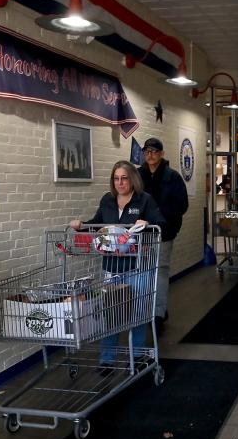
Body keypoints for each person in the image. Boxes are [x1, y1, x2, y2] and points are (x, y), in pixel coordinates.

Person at [69, 161, 166, 375]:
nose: (120, 182)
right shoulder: (108, 200)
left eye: (124, 178)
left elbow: (162, 225)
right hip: (112, 268)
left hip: (137, 268)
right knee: (111, 314)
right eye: (116, 178)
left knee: (137, 315)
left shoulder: (144, 200)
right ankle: (107, 360)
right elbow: (97, 222)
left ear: (133, 179)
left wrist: (147, 226)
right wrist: (82, 225)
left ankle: (138, 356)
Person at [137, 137, 189, 331]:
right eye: (147, 151)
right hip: (141, 234)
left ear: (162, 154)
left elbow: (181, 204)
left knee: (160, 272)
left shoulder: (172, 177)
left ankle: (157, 314)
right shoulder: (138, 176)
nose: (150, 155)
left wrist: (161, 220)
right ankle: (147, 310)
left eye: (154, 151)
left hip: (164, 233)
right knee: (144, 273)